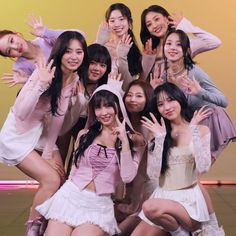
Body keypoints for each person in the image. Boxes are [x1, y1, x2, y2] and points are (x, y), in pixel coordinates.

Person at [0, 30, 88, 235]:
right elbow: (21, 113)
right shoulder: (44, 69)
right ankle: (33, 228)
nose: (74, 57)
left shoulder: (73, 78)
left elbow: (59, 120)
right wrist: (40, 82)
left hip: (39, 133)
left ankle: (48, 224)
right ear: (60, 52)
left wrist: (49, 152)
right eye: (68, 52)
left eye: (78, 52)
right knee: (51, 180)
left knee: (60, 177)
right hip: (17, 136)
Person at [36, 84, 146, 236]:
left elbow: (127, 177)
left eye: (108, 106)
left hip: (98, 206)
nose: (104, 112)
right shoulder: (85, 135)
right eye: (98, 107)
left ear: (118, 107)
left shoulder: (134, 140)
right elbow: (74, 171)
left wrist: (124, 142)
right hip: (70, 197)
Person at [131, 82, 212, 236]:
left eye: (170, 100)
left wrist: (193, 132)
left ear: (179, 99)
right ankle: (179, 233)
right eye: (160, 104)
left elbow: (204, 167)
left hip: (189, 203)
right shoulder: (157, 133)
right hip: (162, 198)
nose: (166, 107)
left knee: (148, 207)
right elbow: (153, 174)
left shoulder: (201, 130)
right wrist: (160, 139)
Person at [114, 79, 158, 235]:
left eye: (139, 96)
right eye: (130, 95)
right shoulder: (119, 119)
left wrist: (140, 145)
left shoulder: (151, 124)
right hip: (126, 178)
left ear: (148, 99)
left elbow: (149, 166)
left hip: (145, 180)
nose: (133, 99)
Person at [57, 43, 112, 166]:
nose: (97, 69)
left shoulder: (105, 88)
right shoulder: (72, 80)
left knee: (80, 156)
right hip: (65, 124)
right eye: (93, 63)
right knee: (59, 154)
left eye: (102, 65)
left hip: (88, 129)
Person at [140, 5, 221, 81]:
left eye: (157, 19)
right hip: (156, 95)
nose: (154, 25)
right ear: (148, 31)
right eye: (149, 24)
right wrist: (147, 60)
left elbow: (215, 42)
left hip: (180, 94)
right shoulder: (150, 50)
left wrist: (186, 26)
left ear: (167, 19)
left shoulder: (185, 43)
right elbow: (142, 81)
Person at [0, 15, 85, 86]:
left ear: (17, 34)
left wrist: (46, 32)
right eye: (9, 51)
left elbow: (80, 35)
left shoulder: (45, 40)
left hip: (81, 76)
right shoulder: (21, 68)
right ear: (11, 56)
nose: (15, 47)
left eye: (11, 40)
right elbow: (44, 92)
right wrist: (27, 80)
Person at [96, 3, 142, 90]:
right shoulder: (104, 46)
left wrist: (122, 57)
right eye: (112, 21)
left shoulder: (135, 51)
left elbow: (129, 86)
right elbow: (88, 70)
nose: (117, 24)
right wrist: (99, 43)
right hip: (101, 93)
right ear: (108, 23)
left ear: (129, 22)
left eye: (121, 19)